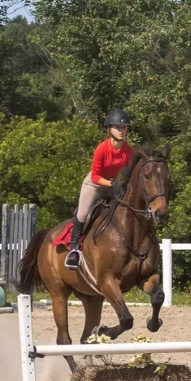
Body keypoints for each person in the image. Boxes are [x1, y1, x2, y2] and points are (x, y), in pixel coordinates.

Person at [65, 109, 134, 269]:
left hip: (113, 183)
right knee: (82, 214)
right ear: (108, 129)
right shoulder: (102, 148)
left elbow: (129, 171)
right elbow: (96, 176)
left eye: (124, 127)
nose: (121, 130)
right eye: (117, 127)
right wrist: (111, 184)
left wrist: (124, 183)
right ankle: (74, 250)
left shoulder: (127, 150)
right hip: (94, 184)